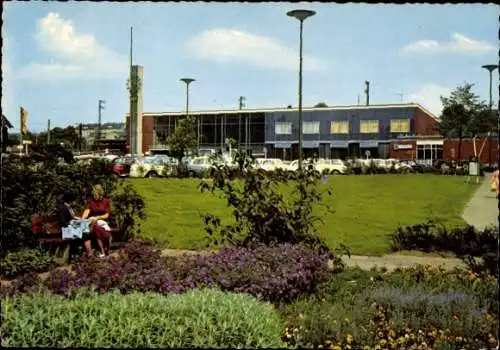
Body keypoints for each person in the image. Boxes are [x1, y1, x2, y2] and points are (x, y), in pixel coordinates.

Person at [81, 184, 112, 258]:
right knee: (93, 228)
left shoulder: (106, 201)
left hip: (102, 221)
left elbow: (107, 215)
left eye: (95, 194)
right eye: (93, 194)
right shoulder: (91, 202)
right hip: (92, 222)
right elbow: (87, 211)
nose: (94, 195)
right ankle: (97, 252)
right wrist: (82, 219)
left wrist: (98, 217)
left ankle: (103, 250)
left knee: (98, 229)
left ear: (100, 193)